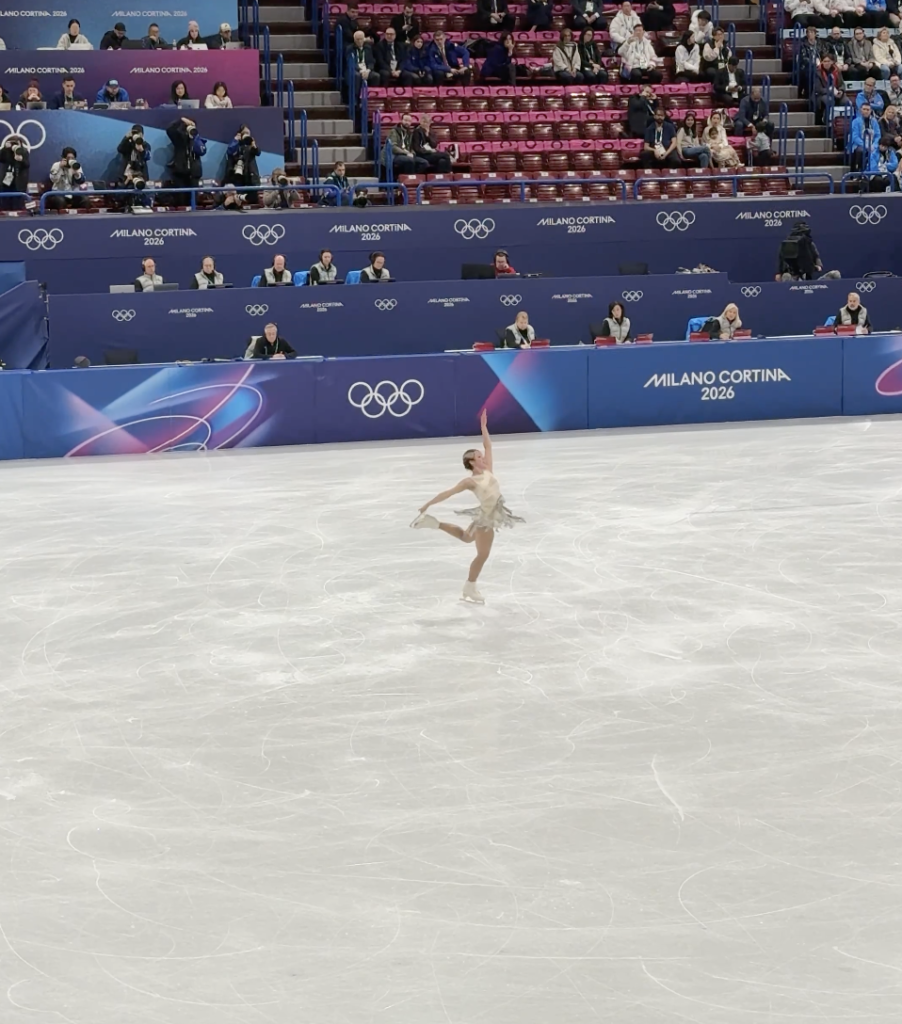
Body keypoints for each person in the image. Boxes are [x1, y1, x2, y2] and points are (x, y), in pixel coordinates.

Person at [411, 410, 523, 605]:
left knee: (465, 537)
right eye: (479, 457)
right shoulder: (470, 481)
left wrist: (483, 427)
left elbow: (488, 445)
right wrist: (428, 503)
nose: (483, 457)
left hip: (487, 515)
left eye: (482, 456)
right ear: (471, 462)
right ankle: (470, 586)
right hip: (486, 519)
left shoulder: (488, 469)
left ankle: (434, 523)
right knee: (483, 554)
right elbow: (448, 492)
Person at [165, 117, 204, 203]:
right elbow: (169, 129)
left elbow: (202, 151)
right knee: (181, 199)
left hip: (194, 173)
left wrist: (194, 138)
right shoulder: (178, 139)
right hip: (180, 173)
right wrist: (181, 120)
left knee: (193, 199)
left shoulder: (197, 139)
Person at [46, 146, 88, 210]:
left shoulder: (76, 166)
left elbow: (81, 181)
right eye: (69, 158)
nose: (71, 160)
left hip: (73, 194)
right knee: (60, 202)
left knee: (85, 200)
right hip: (59, 193)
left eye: (73, 158)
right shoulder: (56, 165)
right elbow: (53, 180)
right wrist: (60, 168)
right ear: (63, 158)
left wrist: (76, 173)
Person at [117, 124, 151, 197]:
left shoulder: (146, 145)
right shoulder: (128, 144)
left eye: (138, 134)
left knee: (143, 193)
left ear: (142, 134)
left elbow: (147, 157)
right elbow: (120, 149)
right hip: (127, 175)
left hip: (140, 175)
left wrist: (142, 150)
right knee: (125, 194)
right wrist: (126, 137)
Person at [813, 53, 845, 124]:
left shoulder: (837, 70)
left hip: (836, 93)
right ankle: (827, 121)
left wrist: (841, 91)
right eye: (824, 61)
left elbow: (842, 84)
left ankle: (843, 123)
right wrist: (830, 91)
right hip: (822, 94)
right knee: (829, 100)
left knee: (847, 101)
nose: (826, 63)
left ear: (832, 62)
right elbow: (818, 89)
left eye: (828, 61)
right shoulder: (818, 72)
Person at [0, 134, 29, 210]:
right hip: (6, 182)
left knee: (18, 204)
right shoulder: (6, 152)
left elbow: (27, 164)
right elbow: (1, 158)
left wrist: (21, 160)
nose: (14, 146)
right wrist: (5, 148)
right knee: (5, 204)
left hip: (18, 182)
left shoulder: (24, 151)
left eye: (16, 143)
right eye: (13, 143)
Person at [851, 101, 882, 169]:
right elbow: (855, 137)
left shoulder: (874, 121)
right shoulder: (855, 121)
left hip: (873, 144)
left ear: (870, 111)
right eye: (864, 109)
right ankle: (858, 171)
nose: (866, 111)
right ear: (860, 110)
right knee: (861, 151)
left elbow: (878, 135)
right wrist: (866, 145)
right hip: (859, 144)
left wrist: (874, 145)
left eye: (868, 110)